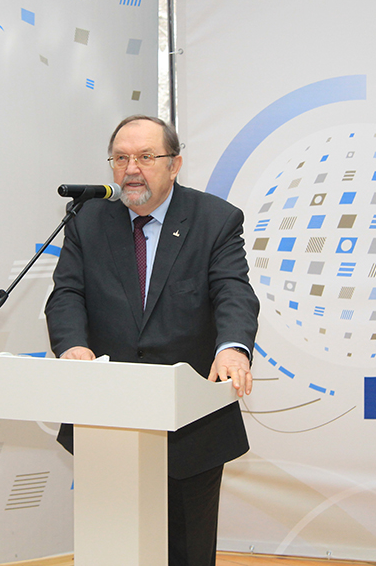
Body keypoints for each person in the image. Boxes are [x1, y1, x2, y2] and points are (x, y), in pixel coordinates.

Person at [46, 114, 259, 566]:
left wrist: (233, 347)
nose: (131, 169)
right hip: (107, 419)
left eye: (145, 157)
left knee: (186, 552)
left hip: (191, 424)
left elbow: (233, 292)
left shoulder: (215, 219)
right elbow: (66, 293)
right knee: (112, 549)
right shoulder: (87, 219)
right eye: (120, 158)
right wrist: (72, 345)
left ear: (174, 164)